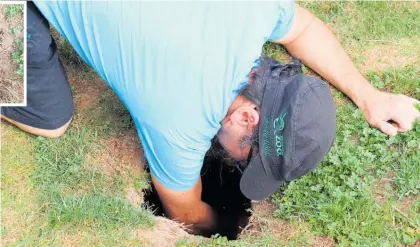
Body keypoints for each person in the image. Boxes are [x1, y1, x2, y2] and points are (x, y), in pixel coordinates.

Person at [1, 1, 419, 236]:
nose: (239, 161)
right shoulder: (179, 118)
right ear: (250, 116)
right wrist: (229, 223)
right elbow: (185, 210)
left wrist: (368, 95)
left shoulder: (253, 11)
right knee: (49, 120)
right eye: (249, 156)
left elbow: (302, 28)